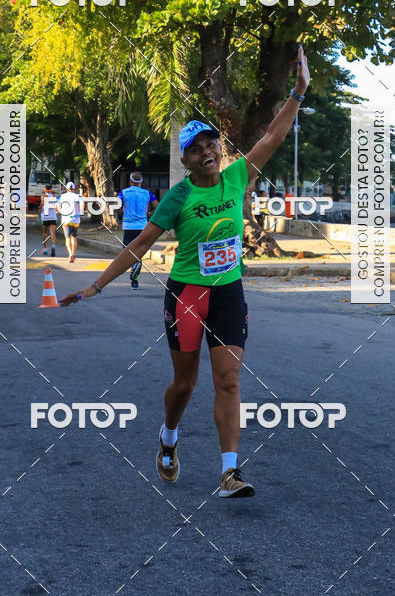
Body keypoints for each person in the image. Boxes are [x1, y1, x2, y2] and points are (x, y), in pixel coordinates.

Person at [61, 50, 311, 497]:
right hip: (187, 297)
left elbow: (273, 136)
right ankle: (169, 436)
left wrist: (297, 91)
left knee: (228, 379)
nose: (206, 152)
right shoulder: (177, 197)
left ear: (219, 148)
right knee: (185, 383)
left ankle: (229, 472)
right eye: (196, 149)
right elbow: (139, 244)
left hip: (228, 293)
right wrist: (96, 285)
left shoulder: (237, 177)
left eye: (211, 144)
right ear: (187, 159)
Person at [117, 172, 158, 289]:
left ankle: (132, 269)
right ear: (141, 182)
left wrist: (122, 211)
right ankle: (135, 281)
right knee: (138, 252)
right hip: (142, 227)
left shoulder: (123, 193)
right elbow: (158, 207)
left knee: (127, 252)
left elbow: (116, 207)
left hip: (128, 227)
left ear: (130, 181)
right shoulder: (147, 193)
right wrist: (150, 214)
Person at [57, 181, 81, 263]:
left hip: (66, 220)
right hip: (76, 220)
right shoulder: (78, 196)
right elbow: (82, 205)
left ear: (66, 189)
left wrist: (61, 212)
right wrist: (79, 211)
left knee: (67, 238)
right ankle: (73, 253)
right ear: (74, 189)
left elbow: (56, 207)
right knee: (74, 237)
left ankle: (70, 253)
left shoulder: (61, 196)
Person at [40, 182, 57, 257]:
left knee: (44, 233)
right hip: (53, 216)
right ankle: (53, 247)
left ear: (45, 189)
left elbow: (42, 203)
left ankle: (45, 249)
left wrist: (40, 208)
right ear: (51, 189)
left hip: (45, 217)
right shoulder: (54, 196)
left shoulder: (43, 196)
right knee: (52, 233)